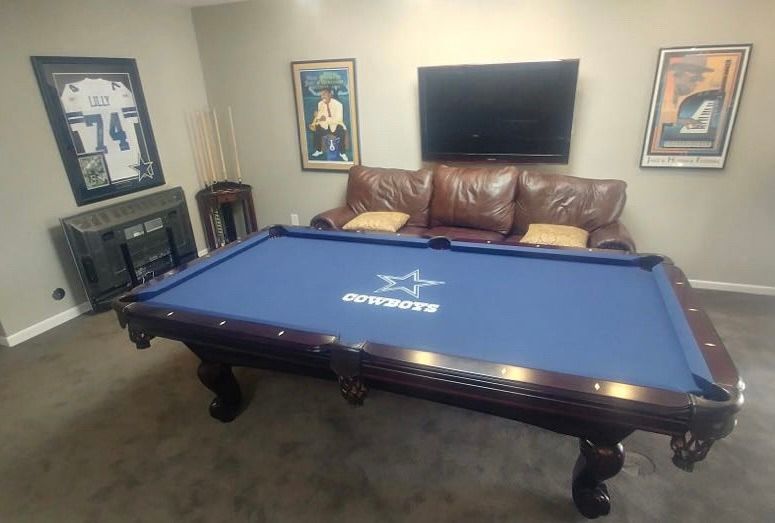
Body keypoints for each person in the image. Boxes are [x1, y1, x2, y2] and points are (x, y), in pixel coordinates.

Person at [310, 88, 348, 161]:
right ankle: (319, 150)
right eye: (321, 95)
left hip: (336, 125)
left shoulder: (338, 104)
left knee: (342, 131)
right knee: (316, 130)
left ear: (330, 94)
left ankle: (342, 153)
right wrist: (317, 117)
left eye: (324, 94)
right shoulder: (320, 104)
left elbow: (338, 119)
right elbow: (321, 117)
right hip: (325, 125)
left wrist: (325, 119)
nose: (322, 97)